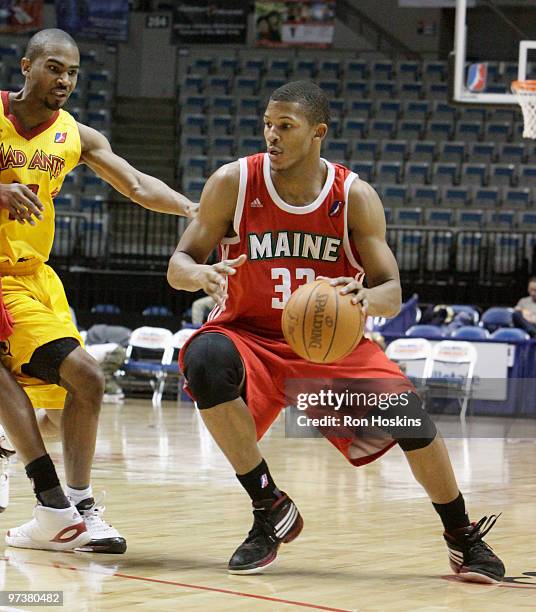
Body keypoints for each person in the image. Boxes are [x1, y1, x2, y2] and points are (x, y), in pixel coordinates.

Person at [167, 81, 505, 583]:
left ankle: (461, 535)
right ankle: (269, 506)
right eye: (268, 125)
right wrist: (199, 274)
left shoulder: (353, 197)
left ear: (318, 132)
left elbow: (391, 288)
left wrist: (367, 299)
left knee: (409, 417)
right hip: (248, 335)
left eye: (286, 127)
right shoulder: (233, 183)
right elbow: (178, 264)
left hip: (329, 345)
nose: (272, 136)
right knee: (204, 360)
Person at [0, 28, 196, 553]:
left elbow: (134, 183)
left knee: (75, 400)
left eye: (72, 72)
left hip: (36, 279)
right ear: (26, 66)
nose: (63, 79)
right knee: (84, 375)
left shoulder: (76, 136)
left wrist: (193, 210)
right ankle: (67, 511)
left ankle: (35, 476)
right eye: (54, 68)